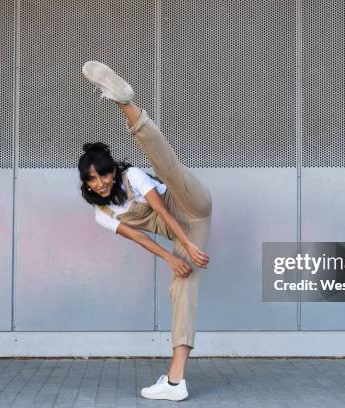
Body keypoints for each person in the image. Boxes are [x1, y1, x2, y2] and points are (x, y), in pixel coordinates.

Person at [77, 61, 213, 401]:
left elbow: (164, 212)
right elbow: (140, 237)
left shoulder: (132, 176)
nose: (101, 182)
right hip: (187, 232)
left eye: (104, 174)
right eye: (93, 179)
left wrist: (185, 246)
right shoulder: (102, 213)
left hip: (188, 204)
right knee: (183, 285)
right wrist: (173, 257)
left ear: (112, 170)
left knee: (166, 165)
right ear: (86, 183)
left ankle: (126, 103)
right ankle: (175, 382)